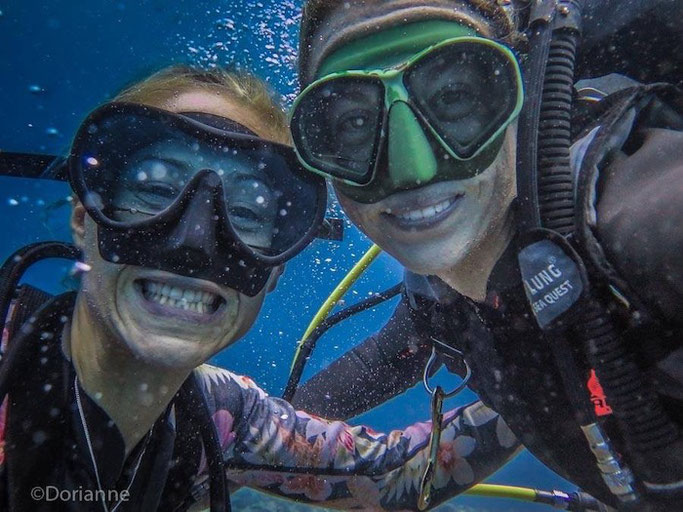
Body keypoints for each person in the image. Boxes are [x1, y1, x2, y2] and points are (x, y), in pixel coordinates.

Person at [0, 65, 521, 511]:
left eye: (246, 214)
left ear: (275, 269)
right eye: (157, 190)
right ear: (82, 217)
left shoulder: (226, 418)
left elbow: (394, 472)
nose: (195, 244)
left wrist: (558, 355)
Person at [289, 0, 682, 510]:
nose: (412, 168)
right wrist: (208, 434)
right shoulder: (442, 300)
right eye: (353, 123)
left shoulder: (644, 221)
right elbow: (379, 363)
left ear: (520, 91)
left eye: (454, 95)